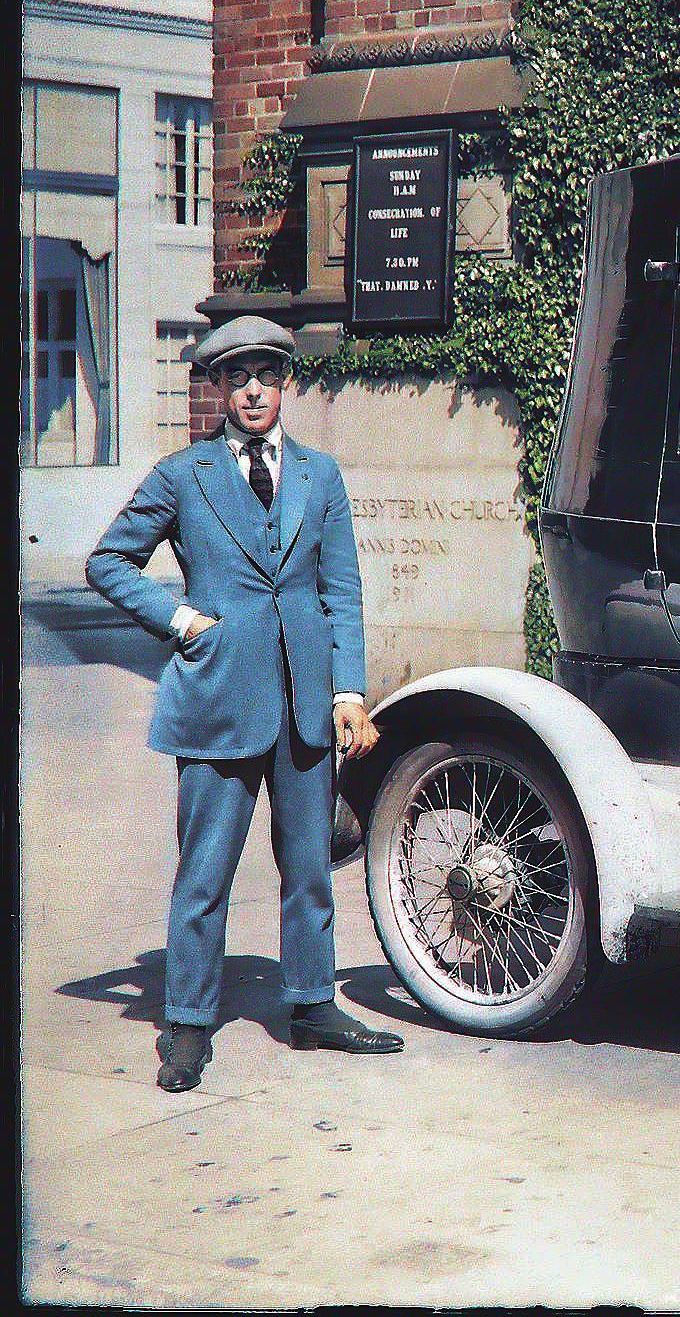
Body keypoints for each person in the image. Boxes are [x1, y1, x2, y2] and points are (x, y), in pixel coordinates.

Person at [86, 315, 403, 1092]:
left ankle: (312, 1004)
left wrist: (349, 691)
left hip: (304, 701)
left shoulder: (319, 475)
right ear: (219, 389)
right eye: (237, 377)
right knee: (205, 873)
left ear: (284, 383)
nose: (253, 389)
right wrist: (182, 619)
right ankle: (188, 1024)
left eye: (266, 374)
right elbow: (108, 560)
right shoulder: (183, 474)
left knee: (309, 867)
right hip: (217, 696)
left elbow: (342, 589)